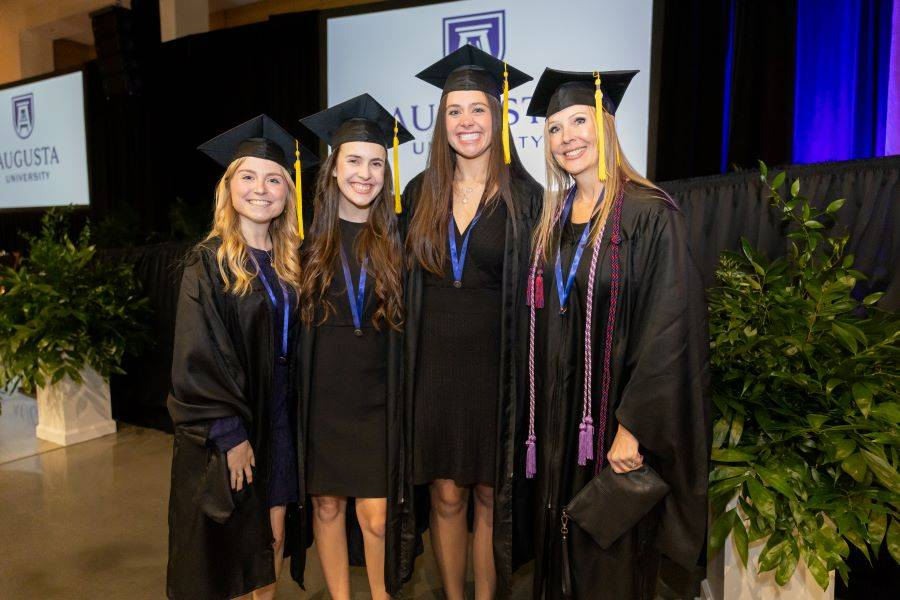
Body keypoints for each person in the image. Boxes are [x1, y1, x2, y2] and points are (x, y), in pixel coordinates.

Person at [523, 68, 710, 599]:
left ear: (605, 125)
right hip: (563, 424)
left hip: (611, 427)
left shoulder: (650, 214)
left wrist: (636, 427)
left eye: (579, 120)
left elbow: (669, 329)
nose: (567, 138)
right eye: (555, 128)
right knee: (561, 550)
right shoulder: (553, 222)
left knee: (608, 561)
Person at [401, 44, 543, 599]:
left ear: (497, 115)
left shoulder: (525, 198)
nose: (466, 121)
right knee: (446, 495)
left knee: (490, 494)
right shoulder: (419, 194)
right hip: (434, 367)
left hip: (497, 367)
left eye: (477, 109)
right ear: (442, 121)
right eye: (454, 111)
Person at [166, 115, 316, 600]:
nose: (261, 188)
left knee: (269, 538)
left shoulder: (293, 258)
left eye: (274, 179)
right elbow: (198, 352)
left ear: (288, 194)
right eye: (248, 176)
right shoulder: (207, 263)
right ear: (228, 188)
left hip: (281, 419)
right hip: (233, 423)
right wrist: (231, 434)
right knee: (231, 543)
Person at [292, 93, 413, 600]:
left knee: (377, 515)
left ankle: (382, 594)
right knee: (326, 507)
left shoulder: (399, 241)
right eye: (355, 162)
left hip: (377, 400)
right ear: (334, 170)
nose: (365, 174)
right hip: (323, 400)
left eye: (376, 164)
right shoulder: (303, 243)